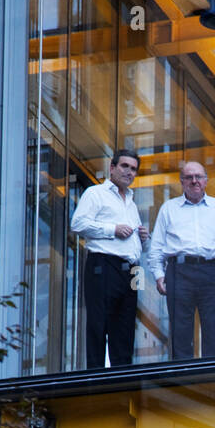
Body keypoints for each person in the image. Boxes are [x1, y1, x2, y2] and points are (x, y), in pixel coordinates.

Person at [147, 161, 215, 359]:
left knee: (213, 328)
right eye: (189, 177)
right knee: (180, 331)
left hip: (212, 272)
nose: (194, 181)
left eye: (198, 177)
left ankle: (212, 380)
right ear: (181, 182)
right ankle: (183, 381)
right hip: (179, 272)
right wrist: (159, 275)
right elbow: (156, 248)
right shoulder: (169, 208)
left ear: (206, 181)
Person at [70, 149, 149, 368]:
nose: (129, 172)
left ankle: (121, 384)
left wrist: (142, 239)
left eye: (133, 169)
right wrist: (112, 229)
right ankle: (95, 382)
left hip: (129, 271)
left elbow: (130, 243)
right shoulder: (96, 194)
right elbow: (77, 224)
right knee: (99, 325)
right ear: (112, 168)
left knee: (123, 330)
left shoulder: (131, 203)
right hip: (103, 265)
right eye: (125, 166)